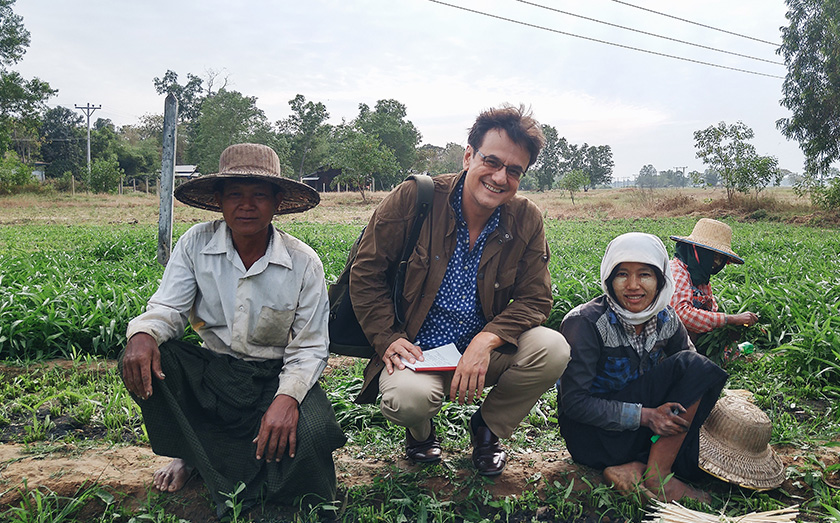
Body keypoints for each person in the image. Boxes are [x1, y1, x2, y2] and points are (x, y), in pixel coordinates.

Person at [119, 143, 346, 516]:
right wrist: (143, 334)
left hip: (275, 376)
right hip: (215, 372)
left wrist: (287, 400)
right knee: (151, 358)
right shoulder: (195, 244)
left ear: (277, 203)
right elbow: (168, 308)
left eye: (259, 195)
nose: (247, 205)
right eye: (235, 194)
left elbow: (310, 348)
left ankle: (242, 467)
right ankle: (190, 455)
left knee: (313, 433)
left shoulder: (303, 263)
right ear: (219, 201)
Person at [349, 104, 570, 476]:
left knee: (553, 349)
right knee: (407, 399)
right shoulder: (416, 198)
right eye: (491, 161)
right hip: (417, 350)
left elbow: (536, 297)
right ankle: (420, 434)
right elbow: (367, 272)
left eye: (513, 171)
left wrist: (486, 340)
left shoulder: (525, 218)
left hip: (482, 352)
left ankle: (487, 430)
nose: (499, 177)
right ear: (469, 156)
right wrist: (388, 337)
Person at [557, 232, 728, 502]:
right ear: (609, 278)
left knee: (698, 464)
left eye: (645, 275)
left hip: (640, 434)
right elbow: (575, 403)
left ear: (660, 279)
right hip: (592, 438)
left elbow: (691, 376)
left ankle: (636, 467)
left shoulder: (666, 318)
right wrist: (647, 416)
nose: (633, 285)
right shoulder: (585, 323)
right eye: (622, 274)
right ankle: (659, 477)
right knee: (694, 368)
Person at [669, 218, 759, 346]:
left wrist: (728, 327)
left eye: (721, 258)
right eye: (713, 255)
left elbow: (711, 309)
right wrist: (731, 319)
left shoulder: (700, 278)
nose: (717, 262)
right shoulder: (676, 272)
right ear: (697, 251)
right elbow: (682, 314)